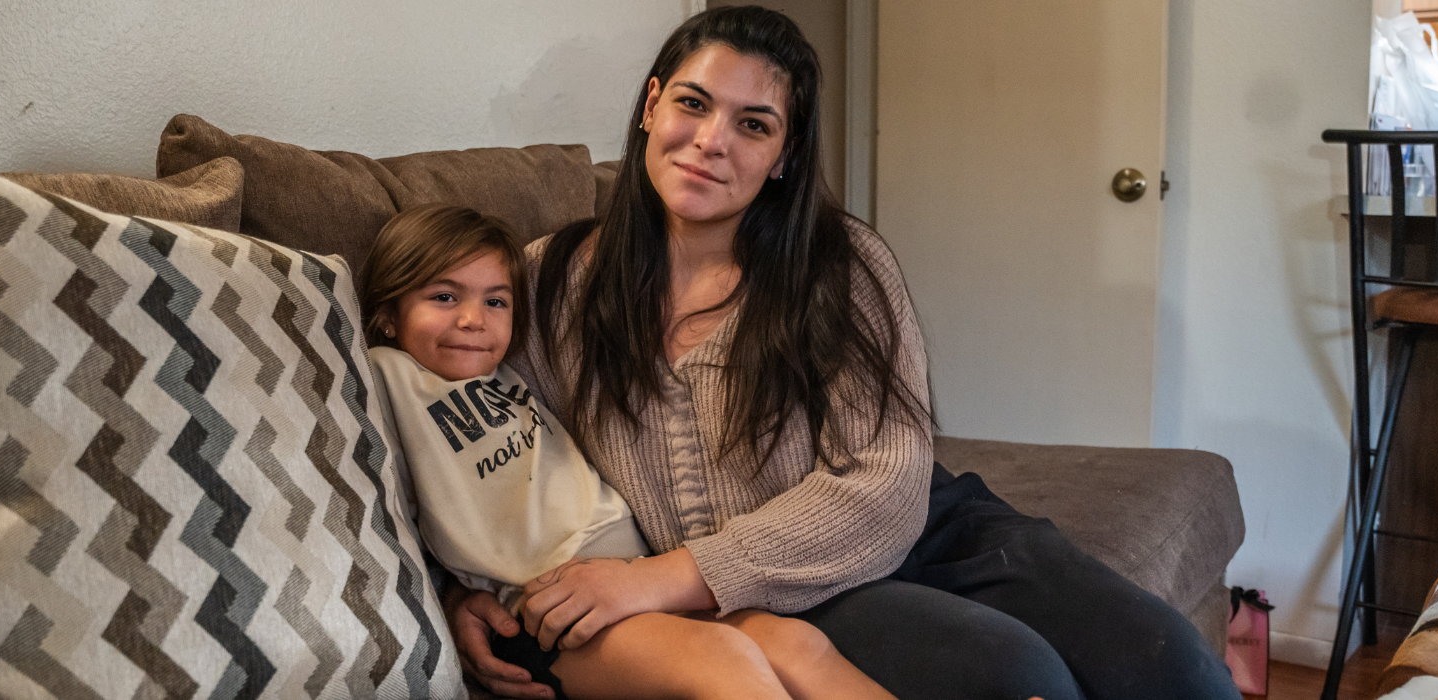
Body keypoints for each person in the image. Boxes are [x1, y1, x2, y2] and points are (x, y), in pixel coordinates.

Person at [449, 6, 1243, 700]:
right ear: (653, 105)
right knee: (1015, 678)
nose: (711, 142)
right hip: (786, 590)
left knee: (1174, 667)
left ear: (785, 153)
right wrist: (461, 589)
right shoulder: (545, 283)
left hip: (926, 528)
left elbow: (890, 481)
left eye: (753, 124)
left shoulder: (840, 263)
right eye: (693, 104)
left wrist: (659, 578)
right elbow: (477, 449)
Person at [363, 204, 895, 700]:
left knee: (796, 644)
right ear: (388, 313)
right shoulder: (387, 377)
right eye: (444, 297)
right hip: (544, 608)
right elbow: (394, 510)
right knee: (721, 658)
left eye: (495, 301)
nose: (474, 320)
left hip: (638, 573)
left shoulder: (510, 371)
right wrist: (451, 596)